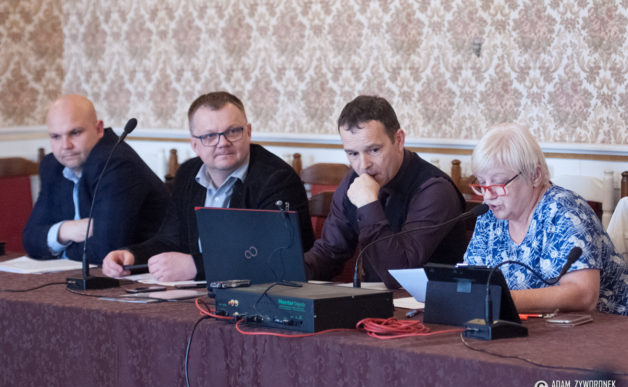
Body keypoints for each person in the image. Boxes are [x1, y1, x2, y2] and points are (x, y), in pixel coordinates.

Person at [102, 91, 314, 281]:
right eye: (210, 136)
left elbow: (276, 254)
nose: (223, 143)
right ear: (194, 145)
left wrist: (196, 266)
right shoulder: (187, 174)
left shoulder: (277, 179)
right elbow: (171, 239)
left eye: (233, 131)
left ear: (248, 132)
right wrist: (131, 255)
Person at [464, 122, 627, 315]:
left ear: (534, 175)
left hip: (607, 326)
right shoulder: (490, 215)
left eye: (498, 183)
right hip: (535, 326)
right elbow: (472, 280)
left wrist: (503, 299)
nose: (488, 195)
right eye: (482, 184)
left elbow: (583, 295)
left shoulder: (566, 211)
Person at [304, 95, 467, 288]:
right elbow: (330, 252)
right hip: (376, 300)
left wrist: (368, 205)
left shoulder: (434, 190)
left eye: (374, 150)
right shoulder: (353, 180)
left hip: (430, 302)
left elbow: (399, 276)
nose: (363, 165)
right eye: (353, 153)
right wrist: (287, 272)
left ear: (399, 140)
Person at [22, 94, 169, 264]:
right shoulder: (52, 166)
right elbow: (30, 240)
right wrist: (66, 230)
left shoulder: (116, 163)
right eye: (56, 137)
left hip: (146, 273)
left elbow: (105, 251)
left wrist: (57, 246)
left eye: (75, 133)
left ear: (99, 129)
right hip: (83, 273)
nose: (66, 146)